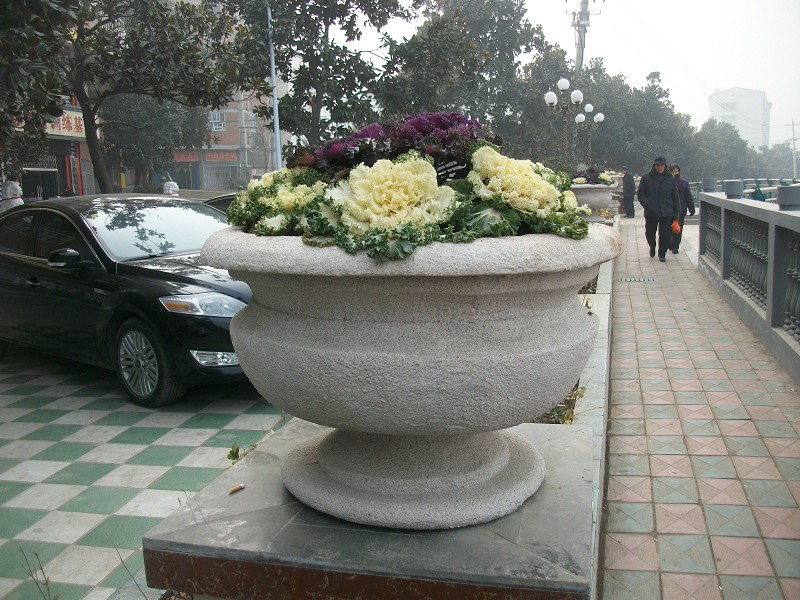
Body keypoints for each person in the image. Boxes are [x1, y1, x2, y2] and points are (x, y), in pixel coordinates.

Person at [637, 156, 680, 262]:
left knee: (665, 234)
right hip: (651, 211)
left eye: (661, 165)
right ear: (654, 166)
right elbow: (640, 193)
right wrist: (647, 204)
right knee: (650, 233)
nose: (659, 167)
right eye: (657, 165)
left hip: (667, 211)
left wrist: (677, 212)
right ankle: (652, 246)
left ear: (665, 166)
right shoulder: (646, 178)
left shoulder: (670, 179)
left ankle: (662, 253)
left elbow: (675, 196)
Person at [669, 164, 695, 254]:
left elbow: (688, 197)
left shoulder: (684, 183)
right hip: (668, 210)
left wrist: (691, 208)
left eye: (676, 171)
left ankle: (675, 246)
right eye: (672, 172)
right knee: (667, 229)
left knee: (678, 229)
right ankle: (669, 243)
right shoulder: (666, 182)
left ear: (679, 172)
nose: (674, 173)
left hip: (681, 210)